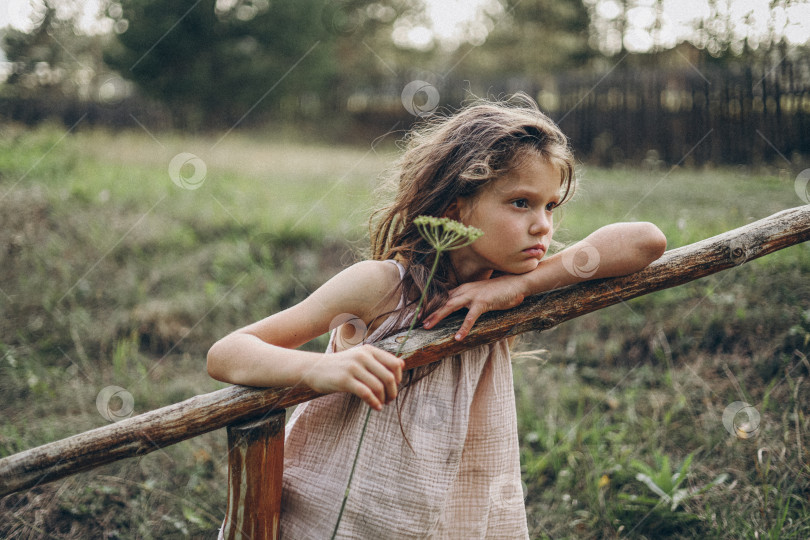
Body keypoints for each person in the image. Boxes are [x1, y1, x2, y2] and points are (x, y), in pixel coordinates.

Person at [207, 93, 667, 538]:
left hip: (448, 513)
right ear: (455, 208)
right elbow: (227, 353)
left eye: (550, 206)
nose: (542, 225)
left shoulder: (514, 284)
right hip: (336, 513)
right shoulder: (382, 285)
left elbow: (647, 241)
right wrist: (321, 367)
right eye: (520, 202)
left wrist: (522, 285)